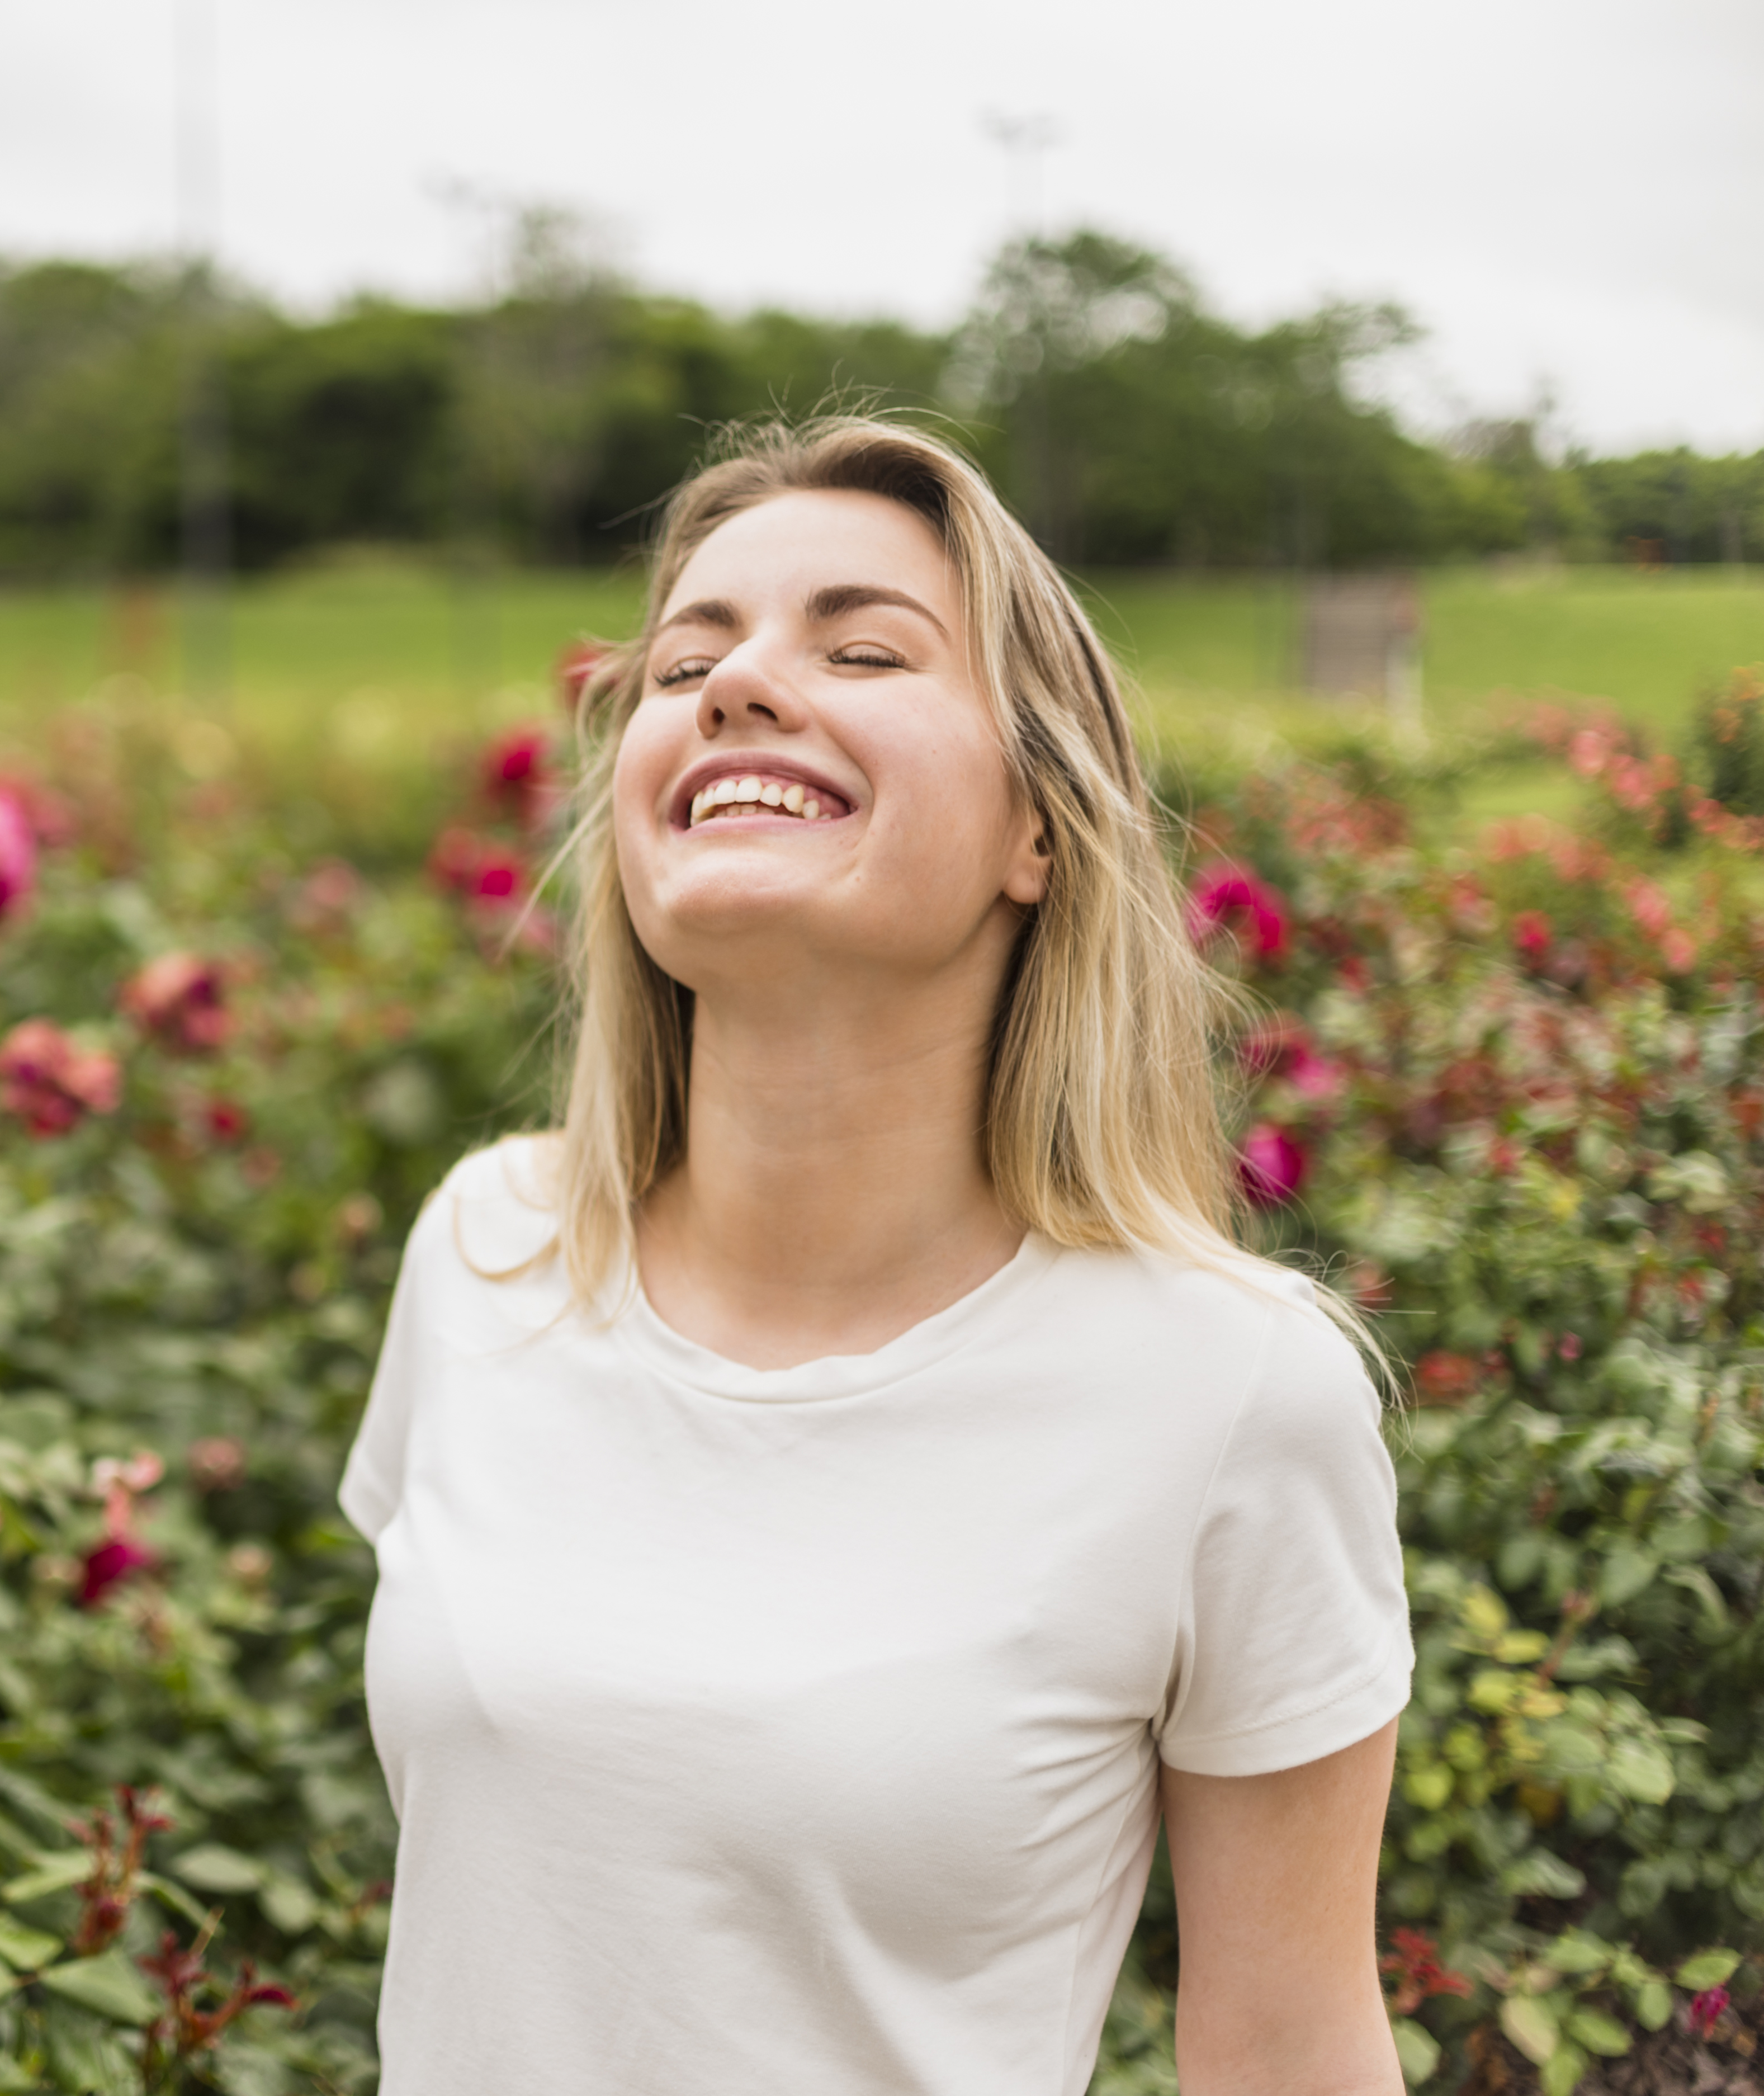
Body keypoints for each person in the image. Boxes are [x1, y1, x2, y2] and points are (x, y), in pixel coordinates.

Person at [339, 417, 1412, 2093]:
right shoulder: (484, 1253)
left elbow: (1290, 2047)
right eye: (688, 656)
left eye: (861, 648)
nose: (737, 686)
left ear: (1036, 832)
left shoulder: (1234, 1394)